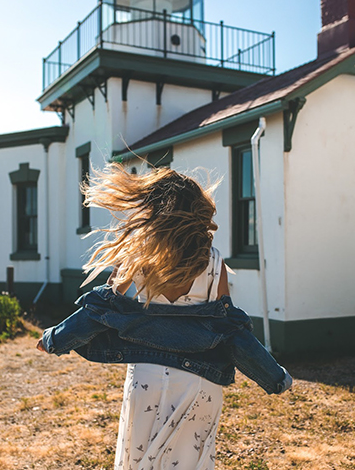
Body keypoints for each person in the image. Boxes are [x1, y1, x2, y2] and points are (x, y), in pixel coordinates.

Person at [37, 164, 292, 470]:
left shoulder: (138, 256)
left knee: (140, 461)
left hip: (147, 378)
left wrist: (53, 339)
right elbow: (232, 331)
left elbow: (101, 309)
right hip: (199, 384)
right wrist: (276, 378)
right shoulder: (213, 263)